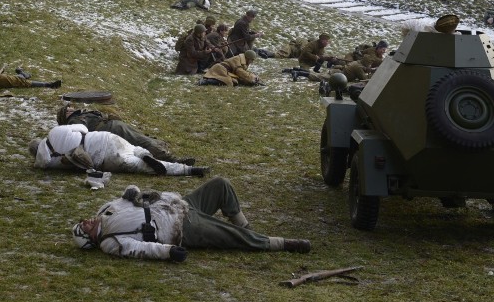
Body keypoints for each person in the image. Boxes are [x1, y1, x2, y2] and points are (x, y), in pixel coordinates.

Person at [71, 177, 311, 260]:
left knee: (220, 185)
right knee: (231, 237)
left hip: (179, 203)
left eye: (82, 222)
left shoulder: (104, 211)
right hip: (180, 226)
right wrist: (168, 252)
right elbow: (139, 249)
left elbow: (125, 199)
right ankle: (279, 243)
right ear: (90, 240)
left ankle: (248, 227)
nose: (86, 222)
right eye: (84, 229)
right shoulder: (109, 243)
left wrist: (133, 193)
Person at [28, 124, 208, 176]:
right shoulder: (55, 131)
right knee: (136, 148)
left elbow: (66, 165)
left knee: (141, 167)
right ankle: (146, 154)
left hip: (104, 157)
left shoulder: (48, 160)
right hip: (104, 137)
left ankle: (189, 171)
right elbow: (83, 128)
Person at [57, 103, 194, 164]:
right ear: (65, 115)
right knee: (141, 142)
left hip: (115, 126)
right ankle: (172, 160)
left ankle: (160, 150)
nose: (71, 108)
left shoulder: (80, 114)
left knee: (143, 139)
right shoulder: (73, 121)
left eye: (70, 107)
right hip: (112, 130)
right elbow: (80, 134)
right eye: (68, 109)